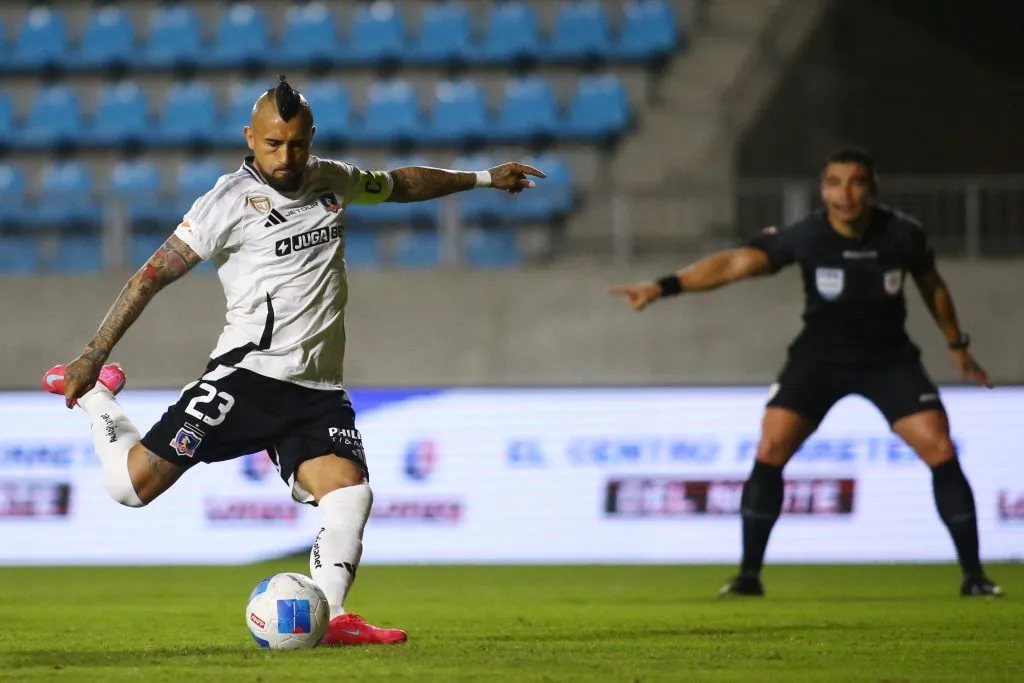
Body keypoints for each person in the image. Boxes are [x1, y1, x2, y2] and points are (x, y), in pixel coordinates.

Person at [42, 76, 546, 644]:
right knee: (131, 489)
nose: (287, 157)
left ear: (312, 138)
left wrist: (481, 178)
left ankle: (330, 619)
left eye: (298, 143)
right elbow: (149, 277)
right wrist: (93, 355)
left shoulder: (333, 180)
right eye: (274, 144)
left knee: (350, 492)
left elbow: (401, 185)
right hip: (248, 378)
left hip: (317, 390)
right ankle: (97, 396)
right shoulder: (226, 203)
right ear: (250, 139)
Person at [608, 147, 1002, 598]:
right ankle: (748, 577)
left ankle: (975, 576)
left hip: (889, 361)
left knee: (940, 447)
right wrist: (663, 286)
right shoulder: (807, 236)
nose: (845, 193)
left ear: (873, 188)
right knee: (771, 446)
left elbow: (932, 285)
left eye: (856, 182)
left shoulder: (903, 236)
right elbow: (737, 263)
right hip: (818, 361)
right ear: (823, 189)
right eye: (835, 183)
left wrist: (957, 345)